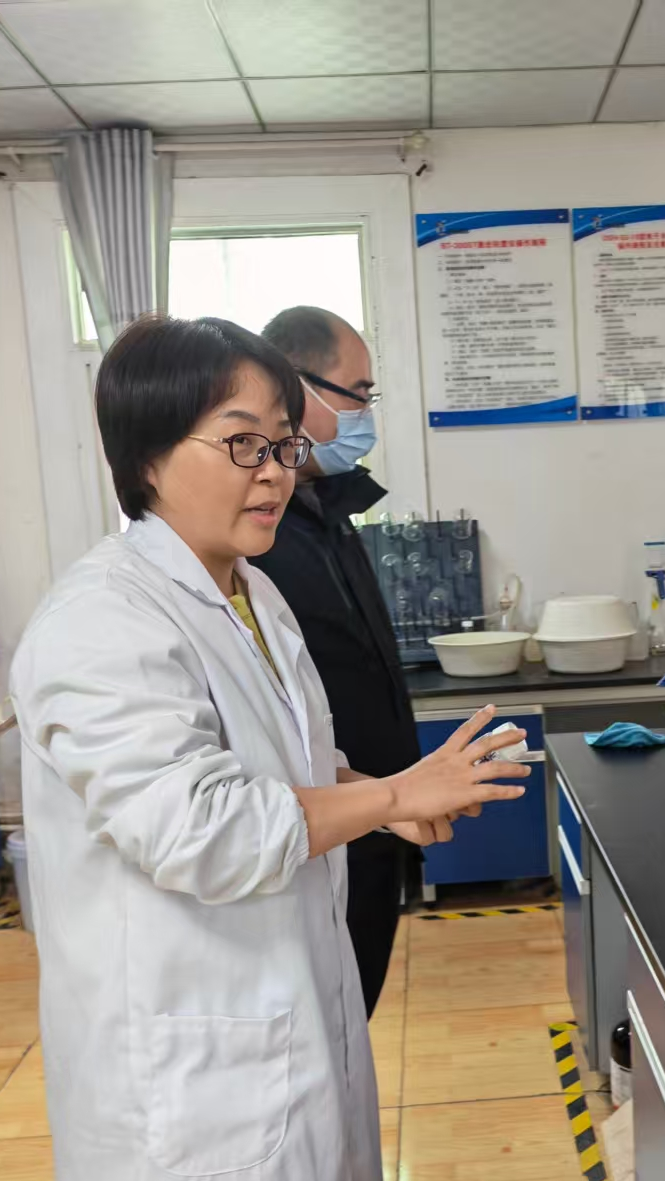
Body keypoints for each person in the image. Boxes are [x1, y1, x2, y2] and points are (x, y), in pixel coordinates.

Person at [10, 315, 529, 1181]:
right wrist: (389, 797)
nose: (276, 472)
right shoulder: (100, 622)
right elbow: (200, 829)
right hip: (191, 1058)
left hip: (285, 1008)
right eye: (242, 443)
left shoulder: (253, 591)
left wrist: (381, 795)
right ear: (148, 454)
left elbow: (294, 761)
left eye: (284, 444)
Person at [255, 305, 415, 1015]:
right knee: (326, 1021)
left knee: (352, 1016)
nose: (365, 414)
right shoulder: (262, 537)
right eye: (357, 393)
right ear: (296, 391)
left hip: (371, 823)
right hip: (322, 836)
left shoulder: (327, 512)